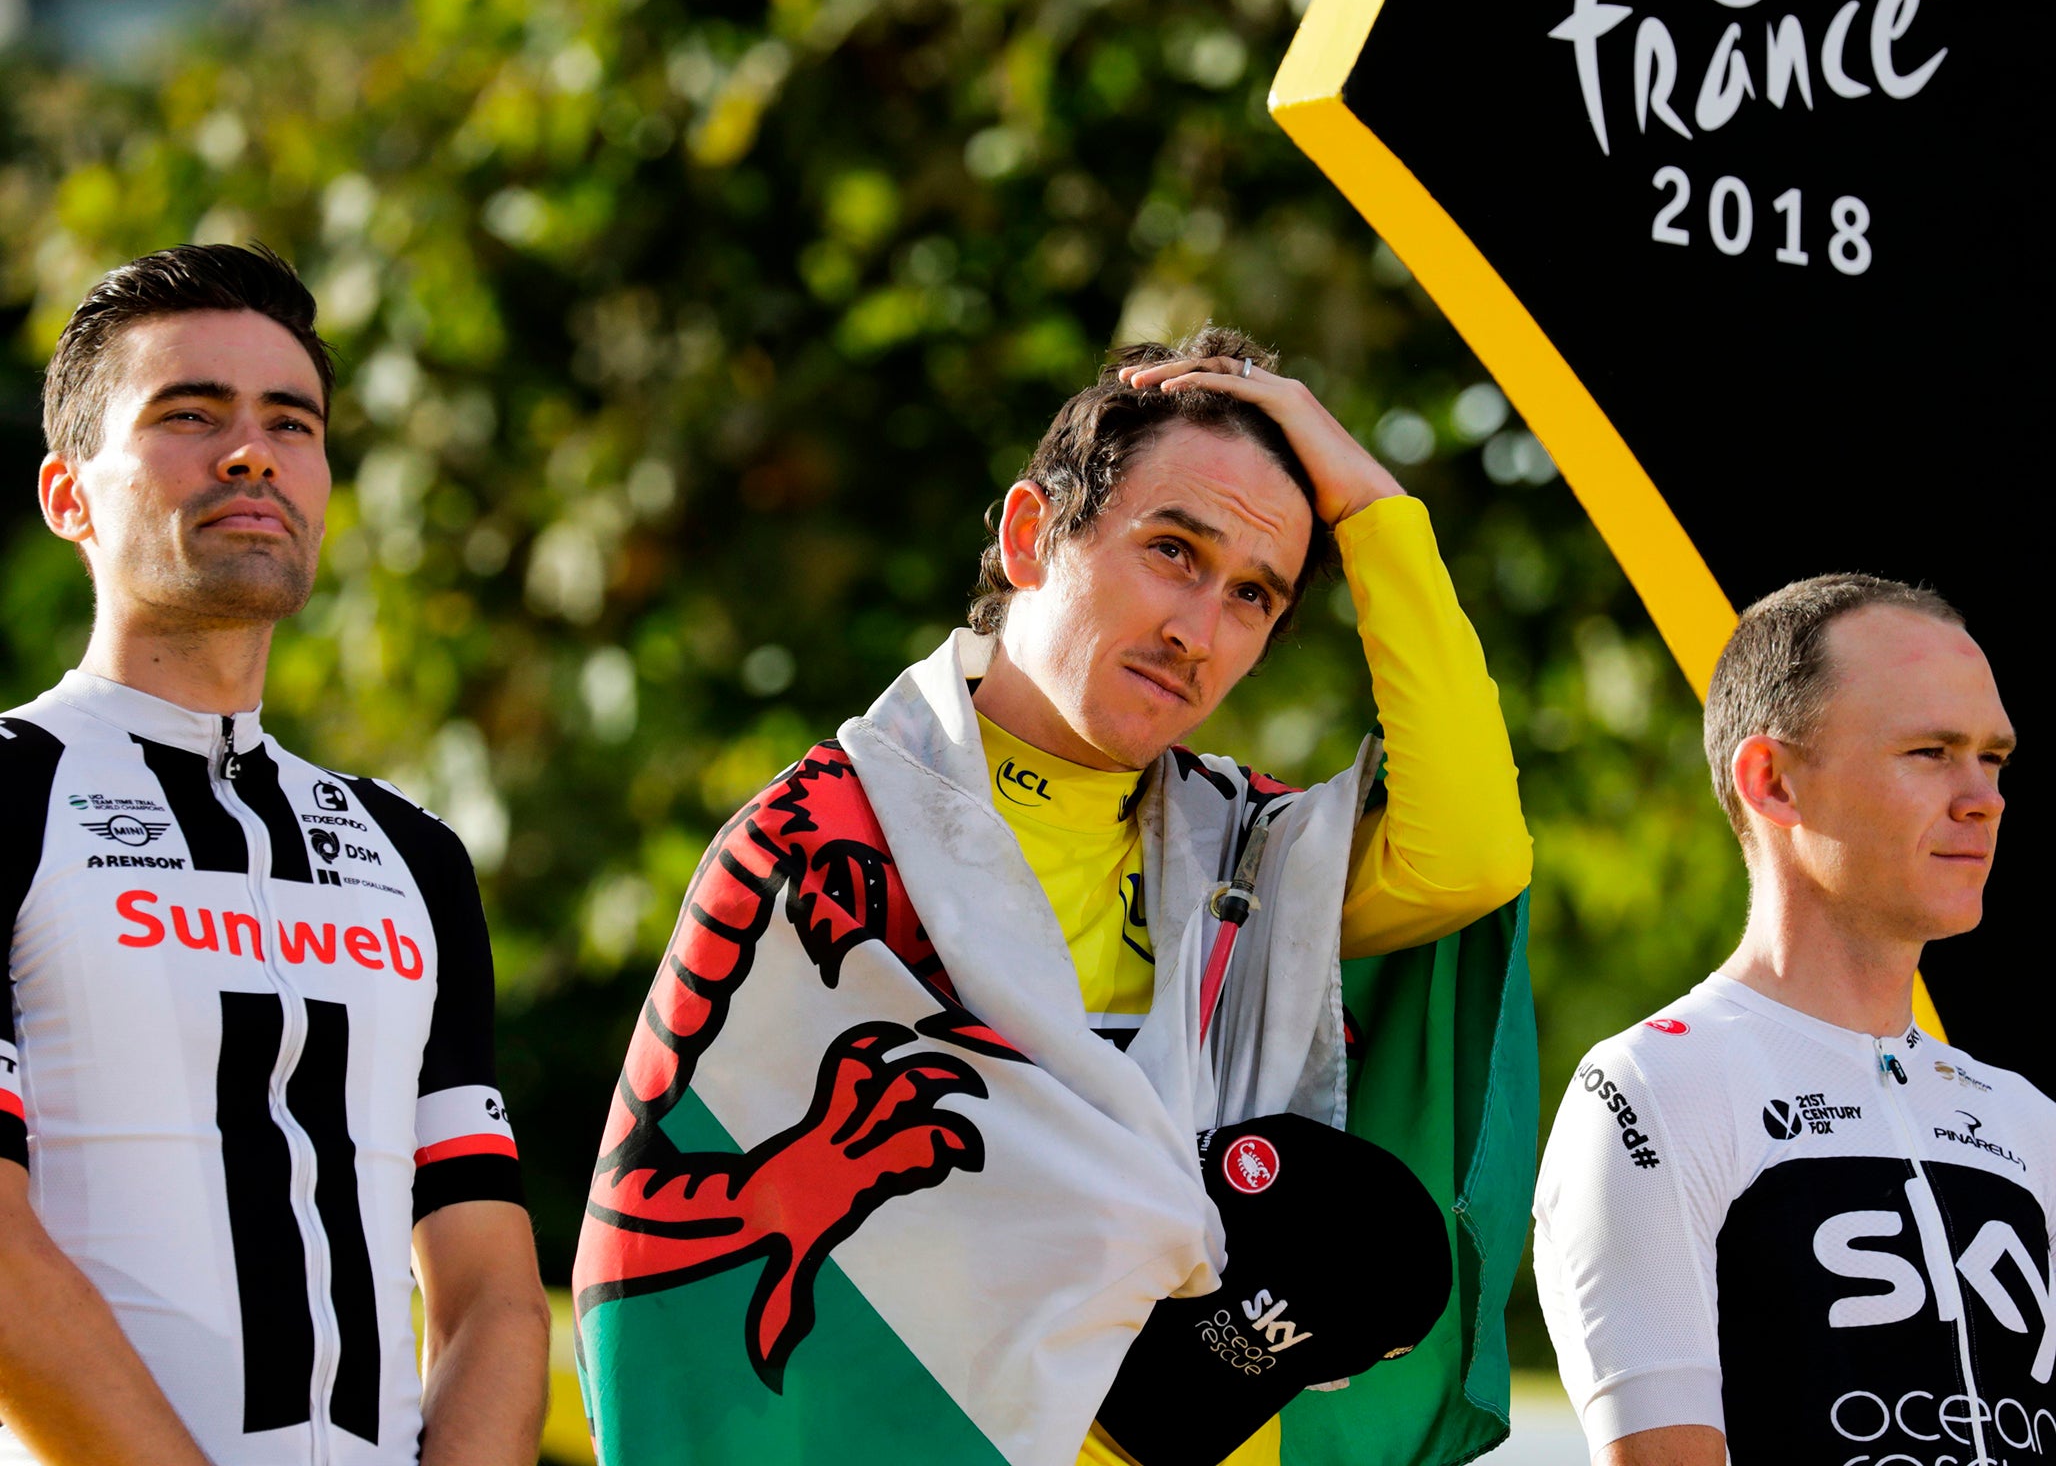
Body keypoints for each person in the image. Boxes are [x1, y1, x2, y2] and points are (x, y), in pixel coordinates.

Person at [574, 328, 1533, 1466]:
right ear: (1031, 537)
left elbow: (1469, 855)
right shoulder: (818, 847)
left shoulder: (1255, 861)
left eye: (1253, 596)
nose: (1197, 633)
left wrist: (1373, 506)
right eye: (1174, 551)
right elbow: (659, 1257)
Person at [0, 245, 550, 1466]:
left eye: (290, 424)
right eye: (189, 415)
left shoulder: (414, 853)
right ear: (67, 498)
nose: (250, 453)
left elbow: (491, 1294)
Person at [1532, 575, 2055, 1465]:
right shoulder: (1652, 1090)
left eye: (1993, 758)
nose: (1984, 799)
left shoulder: (2025, 1118)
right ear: (1772, 781)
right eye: (1930, 751)